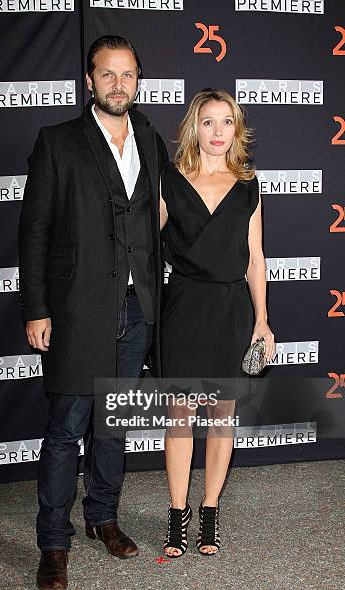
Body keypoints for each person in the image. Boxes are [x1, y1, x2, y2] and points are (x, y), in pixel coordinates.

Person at [18, 35, 167, 590]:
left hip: (136, 310)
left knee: (113, 427)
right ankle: (52, 544)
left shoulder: (151, 140)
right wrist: (36, 307)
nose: (118, 84)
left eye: (127, 75)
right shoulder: (58, 142)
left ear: (138, 80)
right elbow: (33, 231)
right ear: (89, 81)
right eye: (107, 75)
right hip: (77, 311)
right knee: (66, 431)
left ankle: (102, 516)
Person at [159, 88, 275, 558]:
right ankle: (176, 515)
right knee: (180, 418)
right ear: (194, 127)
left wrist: (262, 321)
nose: (218, 131)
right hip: (183, 308)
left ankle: (209, 512)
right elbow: (142, 248)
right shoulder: (169, 180)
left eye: (227, 122)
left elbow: (255, 258)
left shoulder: (249, 185)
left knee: (222, 417)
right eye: (208, 121)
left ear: (237, 128)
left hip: (231, 310)